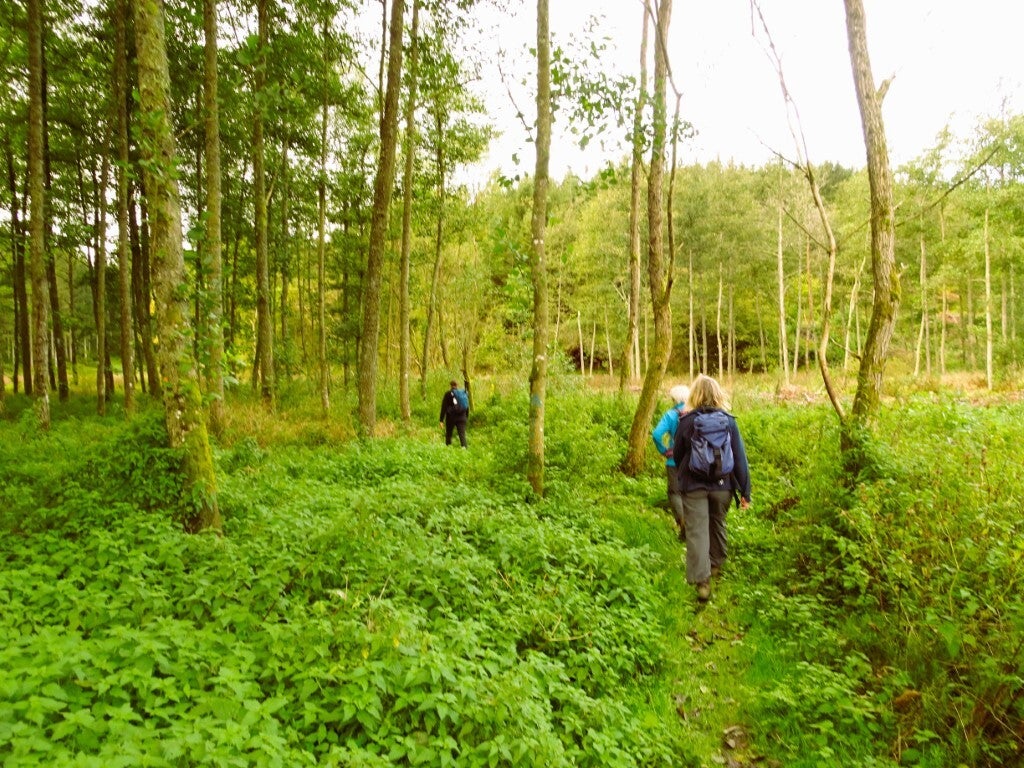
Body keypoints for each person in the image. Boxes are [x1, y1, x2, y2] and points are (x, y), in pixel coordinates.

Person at [673, 374, 751, 603]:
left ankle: (702, 582)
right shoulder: (728, 421)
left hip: (694, 486)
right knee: (717, 523)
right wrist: (745, 491)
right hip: (722, 486)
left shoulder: (686, 421)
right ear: (718, 394)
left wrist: (684, 475)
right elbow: (740, 458)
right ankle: (716, 565)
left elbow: (678, 454)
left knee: (697, 531)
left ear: (695, 395)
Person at [651, 384, 690, 541]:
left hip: (674, 461)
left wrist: (664, 450)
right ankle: (694, 528)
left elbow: (656, 434)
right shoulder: (696, 413)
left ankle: (683, 525)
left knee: (675, 493)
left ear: (674, 399)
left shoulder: (671, 415)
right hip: (694, 461)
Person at [439, 379, 469, 447]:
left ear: (450, 385)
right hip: (462, 417)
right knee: (462, 435)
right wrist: (466, 417)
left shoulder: (447, 394)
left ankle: (448, 449)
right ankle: (464, 449)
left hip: (451, 418)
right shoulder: (463, 394)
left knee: (449, 435)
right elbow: (466, 406)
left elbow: (444, 407)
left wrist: (441, 420)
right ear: (457, 385)